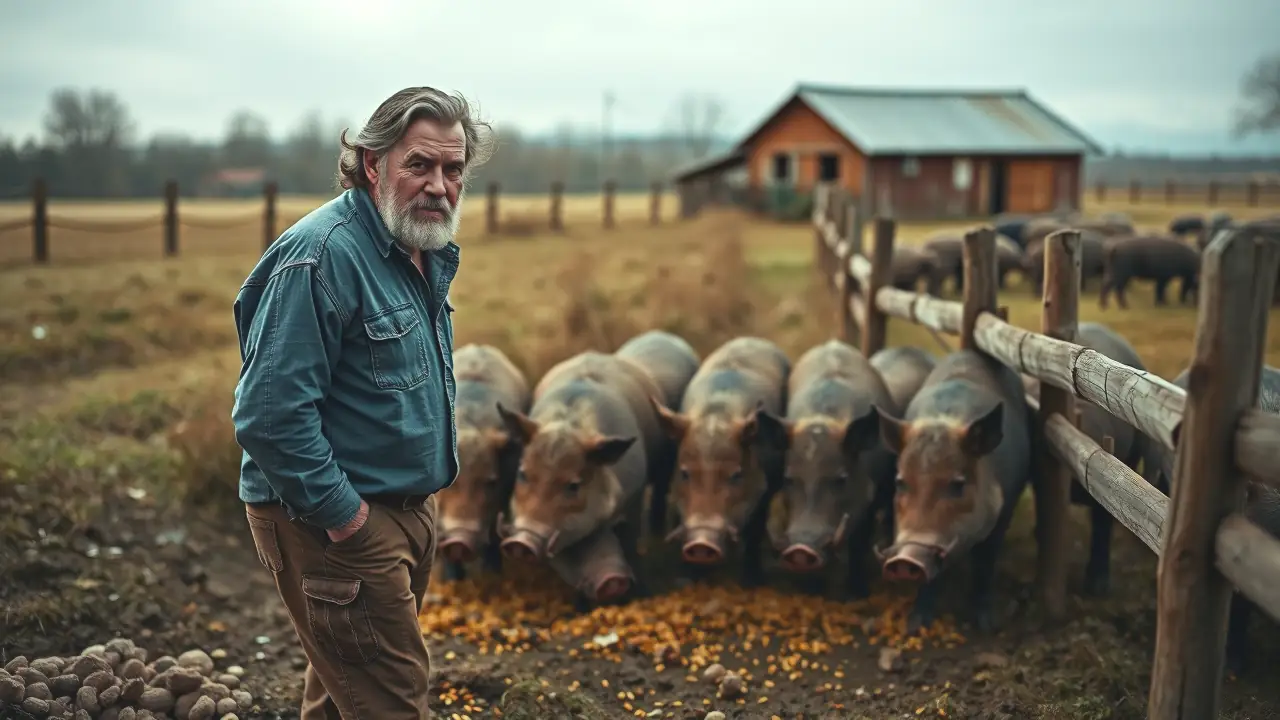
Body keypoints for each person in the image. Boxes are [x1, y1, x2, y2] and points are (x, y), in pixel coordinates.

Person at [231, 86, 494, 719]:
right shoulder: (321, 256)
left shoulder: (419, 250)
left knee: (344, 693)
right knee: (392, 702)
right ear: (373, 164)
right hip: (336, 523)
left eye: (452, 169)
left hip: (404, 509)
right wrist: (345, 519)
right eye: (419, 165)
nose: (439, 185)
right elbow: (270, 415)